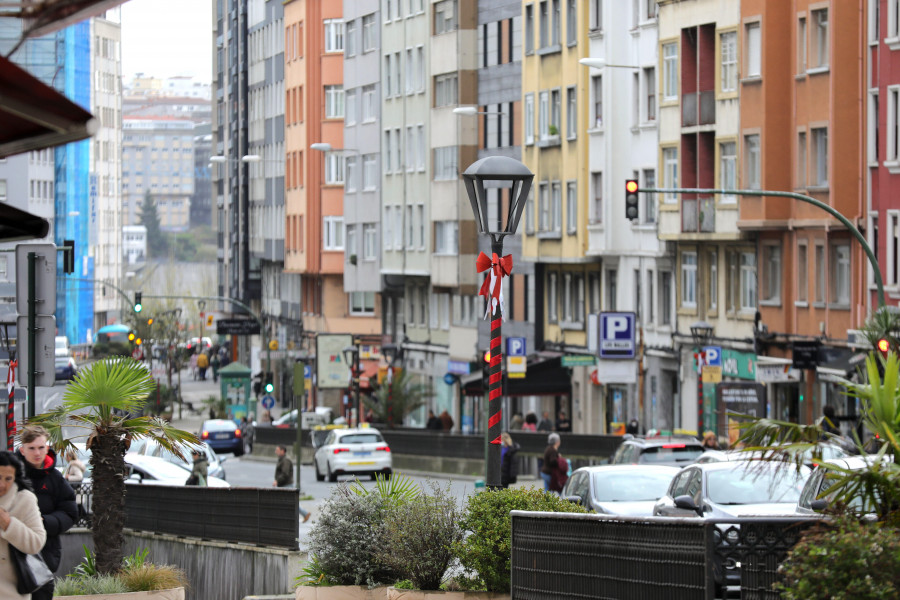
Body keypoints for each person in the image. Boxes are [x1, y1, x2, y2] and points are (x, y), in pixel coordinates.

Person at [17, 425, 77, 600]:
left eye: (41, 447)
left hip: (44, 551)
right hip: (11, 550)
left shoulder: (56, 478)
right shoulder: (9, 473)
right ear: (22, 450)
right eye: (32, 448)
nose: (37, 453)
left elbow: (70, 512)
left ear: (47, 448)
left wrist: (44, 522)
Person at [0, 450, 47, 600]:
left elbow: (37, 542)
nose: (2, 484)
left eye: (8, 479)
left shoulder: (25, 500)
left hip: (11, 592)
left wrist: (9, 524)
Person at [273, 445, 311, 523]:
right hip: (284, 485)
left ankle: (304, 514)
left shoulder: (285, 460)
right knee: (290, 503)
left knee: (291, 503)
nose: (275, 452)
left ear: (282, 451)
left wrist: (277, 481)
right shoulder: (282, 460)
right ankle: (303, 514)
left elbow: (285, 473)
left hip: (286, 485)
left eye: (277, 450)